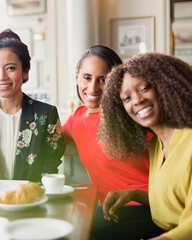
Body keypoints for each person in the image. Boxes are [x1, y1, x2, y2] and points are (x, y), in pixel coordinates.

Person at [62, 46, 159, 239]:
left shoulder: (134, 113)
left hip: (151, 207)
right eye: (87, 77)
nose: (92, 88)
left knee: (74, 225)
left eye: (103, 79)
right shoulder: (76, 119)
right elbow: (44, 137)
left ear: (115, 81)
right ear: (76, 78)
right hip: (111, 210)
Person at [99, 52, 192, 240]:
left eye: (144, 88)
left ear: (165, 85)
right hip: (160, 228)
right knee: (92, 223)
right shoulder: (157, 144)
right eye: (126, 98)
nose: (137, 100)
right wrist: (135, 194)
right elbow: (174, 202)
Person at [0, 29, 65, 183]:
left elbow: (49, 168)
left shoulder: (46, 115)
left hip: (31, 201)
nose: (1, 77)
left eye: (10, 68)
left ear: (25, 72)